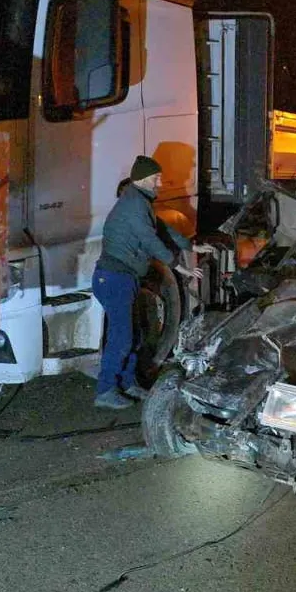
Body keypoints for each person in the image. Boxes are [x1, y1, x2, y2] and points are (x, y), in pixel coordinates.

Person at [93, 155, 193, 410]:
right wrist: (176, 264)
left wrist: (191, 245)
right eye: (156, 177)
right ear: (144, 178)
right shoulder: (134, 205)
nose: (160, 182)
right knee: (121, 337)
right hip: (114, 278)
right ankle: (105, 390)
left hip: (125, 278)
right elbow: (149, 239)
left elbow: (163, 229)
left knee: (134, 335)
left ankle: (128, 383)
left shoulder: (140, 202)